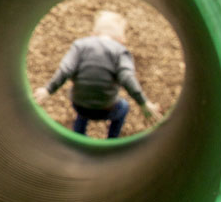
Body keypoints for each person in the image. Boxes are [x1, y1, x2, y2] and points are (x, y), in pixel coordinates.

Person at [38, 10, 161, 139]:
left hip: (79, 105)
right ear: (121, 39)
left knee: (81, 100)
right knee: (124, 107)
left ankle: (79, 136)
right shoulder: (120, 51)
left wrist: (48, 90)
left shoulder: (80, 45)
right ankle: (112, 139)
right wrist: (143, 103)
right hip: (107, 108)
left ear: (93, 34)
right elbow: (127, 77)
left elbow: (66, 69)